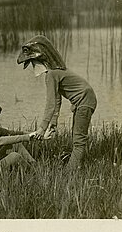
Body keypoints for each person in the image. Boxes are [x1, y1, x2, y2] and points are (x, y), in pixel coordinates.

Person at [17, 35, 97, 170]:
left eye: (33, 63)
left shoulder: (51, 75)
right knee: (77, 138)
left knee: (78, 142)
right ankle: (77, 167)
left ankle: (70, 173)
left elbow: (50, 103)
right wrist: (53, 122)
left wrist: (42, 128)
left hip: (84, 101)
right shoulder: (56, 72)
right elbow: (57, 100)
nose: (33, 66)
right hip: (85, 100)